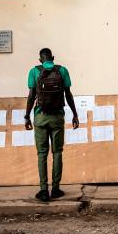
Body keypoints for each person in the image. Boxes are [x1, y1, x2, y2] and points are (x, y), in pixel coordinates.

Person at [25, 48, 79, 202]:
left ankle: (43, 190)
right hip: (57, 117)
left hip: (40, 117)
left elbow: (31, 96)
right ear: (53, 58)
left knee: (42, 154)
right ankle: (55, 189)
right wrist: (75, 114)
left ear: (40, 60)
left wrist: (27, 116)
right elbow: (68, 94)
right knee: (57, 152)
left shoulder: (34, 72)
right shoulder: (62, 70)